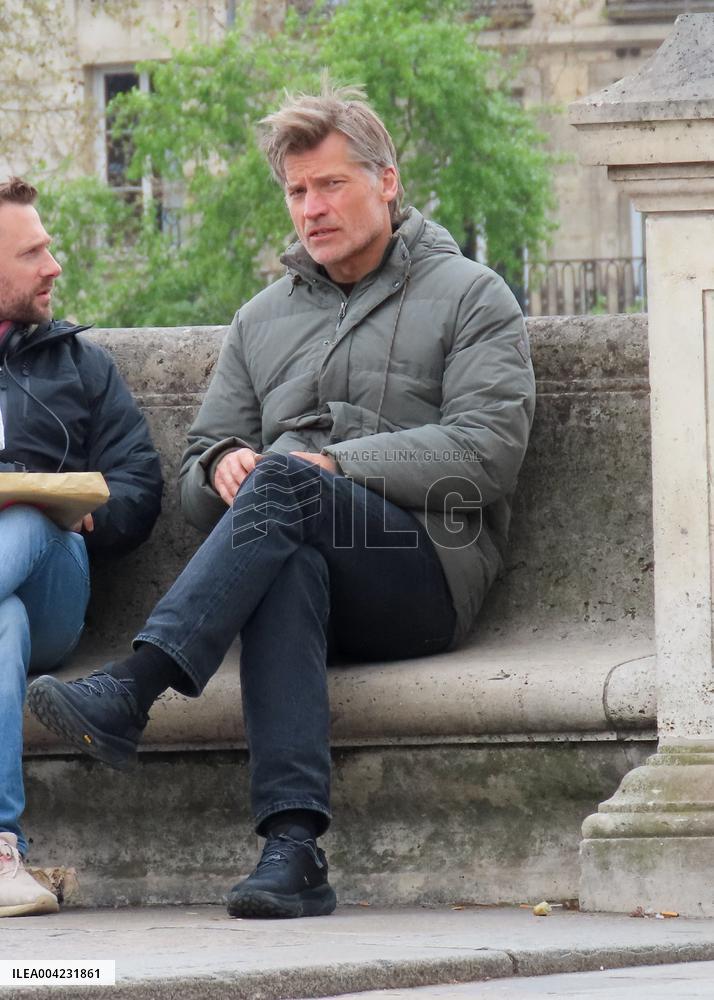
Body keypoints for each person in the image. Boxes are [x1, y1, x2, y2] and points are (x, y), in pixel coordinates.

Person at [28, 85, 535, 920]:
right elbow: (196, 467)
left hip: (426, 572)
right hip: (301, 557)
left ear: (387, 181)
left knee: (293, 481)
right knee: (286, 553)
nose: (312, 207)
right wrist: (224, 464)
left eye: (331, 185)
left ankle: (135, 687)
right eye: (298, 192)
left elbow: (484, 454)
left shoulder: (472, 294)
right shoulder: (260, 319)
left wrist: (329, 463)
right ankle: (292, 851)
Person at [0, 177, 163, 917]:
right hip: (13, 617)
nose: (54, 265)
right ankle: (2, 851)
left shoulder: (80, 366)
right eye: (34, 252)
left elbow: (141, 483)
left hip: (55, 585)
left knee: (32, 518)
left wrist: (83, 509)